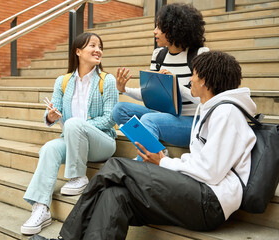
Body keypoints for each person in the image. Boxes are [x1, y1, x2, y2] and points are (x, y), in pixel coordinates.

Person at [34, 50, 257, 240]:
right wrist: (169, 161)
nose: (190, 80)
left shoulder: (227, 113)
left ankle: (65, 237)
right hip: (195, 190)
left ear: (205, 81)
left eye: (194, 75)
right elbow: (202, 161)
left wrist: (165, 162)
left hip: (210, 201)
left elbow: (211, 171)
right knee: (115, 195)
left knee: (116, 167)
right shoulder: (211, 109)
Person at [21, 32, 119, 235]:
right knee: (49, 148)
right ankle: (41, 208)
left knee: (74, 124)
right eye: (92, 45)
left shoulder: (106, 80)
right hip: (72, 140)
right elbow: (52, 113)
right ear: (78, 51)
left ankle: (78, 177)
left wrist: (79, 125)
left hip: (102, 143)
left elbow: (111, 119)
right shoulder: (63, 82)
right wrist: (51, 116)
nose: (97, 50)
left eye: (100, 46)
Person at [113, 3, 209, 149]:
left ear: (174, 29)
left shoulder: (200, 54)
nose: (154, 32)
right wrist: (125, 89)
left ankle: (145, 163)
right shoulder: (159, 55)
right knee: (119, 110)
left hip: (192, 121)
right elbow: (149, 94)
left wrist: (175, 86)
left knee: (149, 119)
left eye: (159, 27)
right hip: (162, 116)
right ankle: (159, 152)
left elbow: (207, 101)